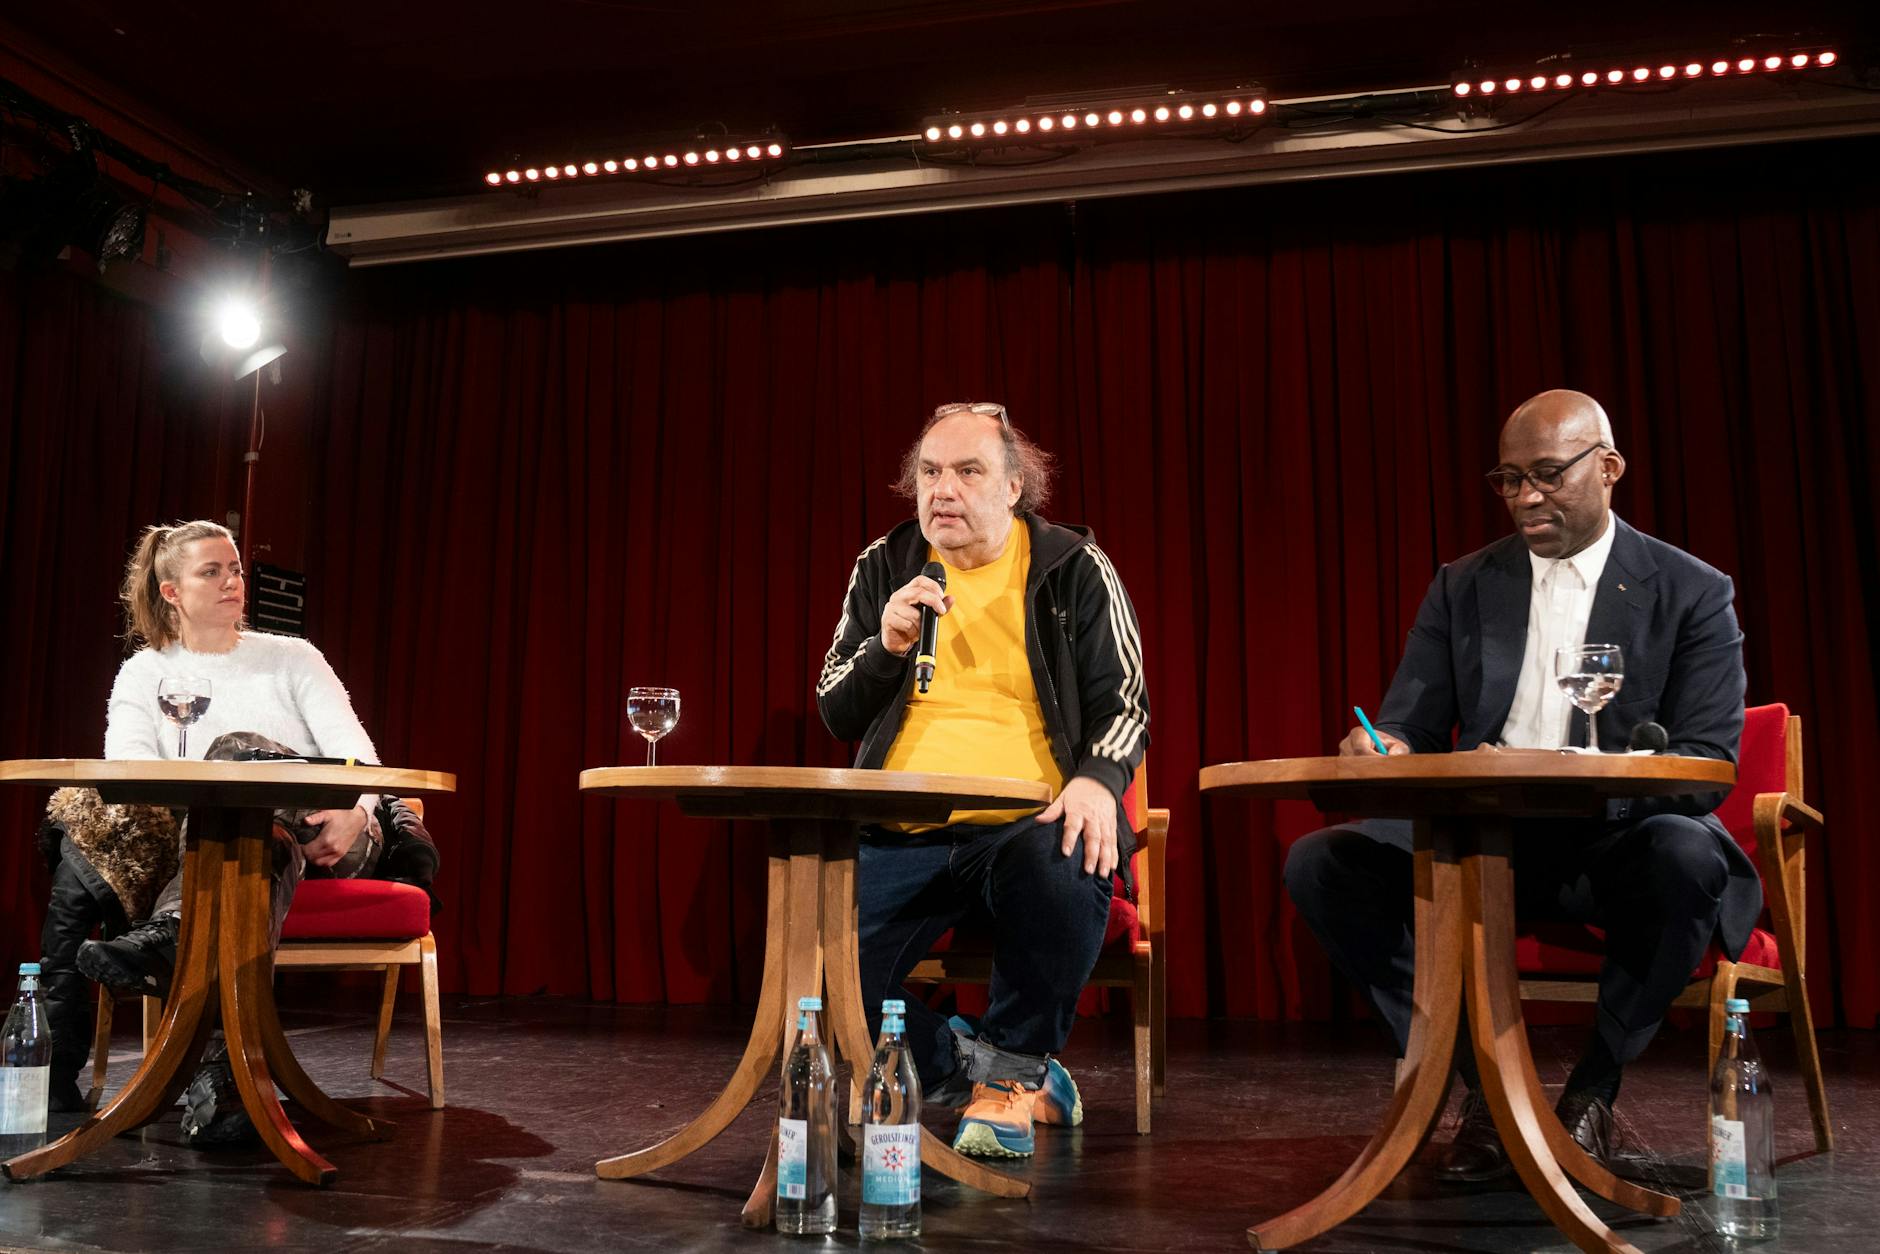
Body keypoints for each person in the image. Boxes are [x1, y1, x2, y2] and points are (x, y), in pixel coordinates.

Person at [1284, 389, 1760, 1179]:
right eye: (1508, 479)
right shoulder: (1465, 584)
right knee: (1323, 863)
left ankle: (1591, 1097)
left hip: (1618, 839)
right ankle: (1482, 1094)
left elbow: (1706, 760)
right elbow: (1412, 724)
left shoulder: (1691, 589)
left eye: (1546, 474)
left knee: (1687, 857)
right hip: (1486, 840)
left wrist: (1598, 783)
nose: (1526, 497)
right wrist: (1386, 746)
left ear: (1608, 469)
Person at [816, 400, 1150, 1157]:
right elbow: (837, 708)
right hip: (900, 831)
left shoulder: (1072, 566)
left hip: (1026, 826)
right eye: (930, 472)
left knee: (1071, 845)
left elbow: (1125, 703)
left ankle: (1006, 1087)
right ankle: (994, 1066)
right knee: (814, 980)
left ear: (1012, 488)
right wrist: (886, 646)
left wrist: (1097, 781)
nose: (944, 490)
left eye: (969, 471)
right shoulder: (886, 564)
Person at [57, 520, 395, 1142]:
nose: (232, 582)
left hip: (332, 827)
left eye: (236, 569)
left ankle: (172, 939)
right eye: (212, 572)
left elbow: (361, 759)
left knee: (237, 752)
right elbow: (131, 778)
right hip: (236, 843)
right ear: (171, 592)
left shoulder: (292, 658)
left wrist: (359, 811)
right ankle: (224, 1088)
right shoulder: (143, 673)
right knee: (239, 838)